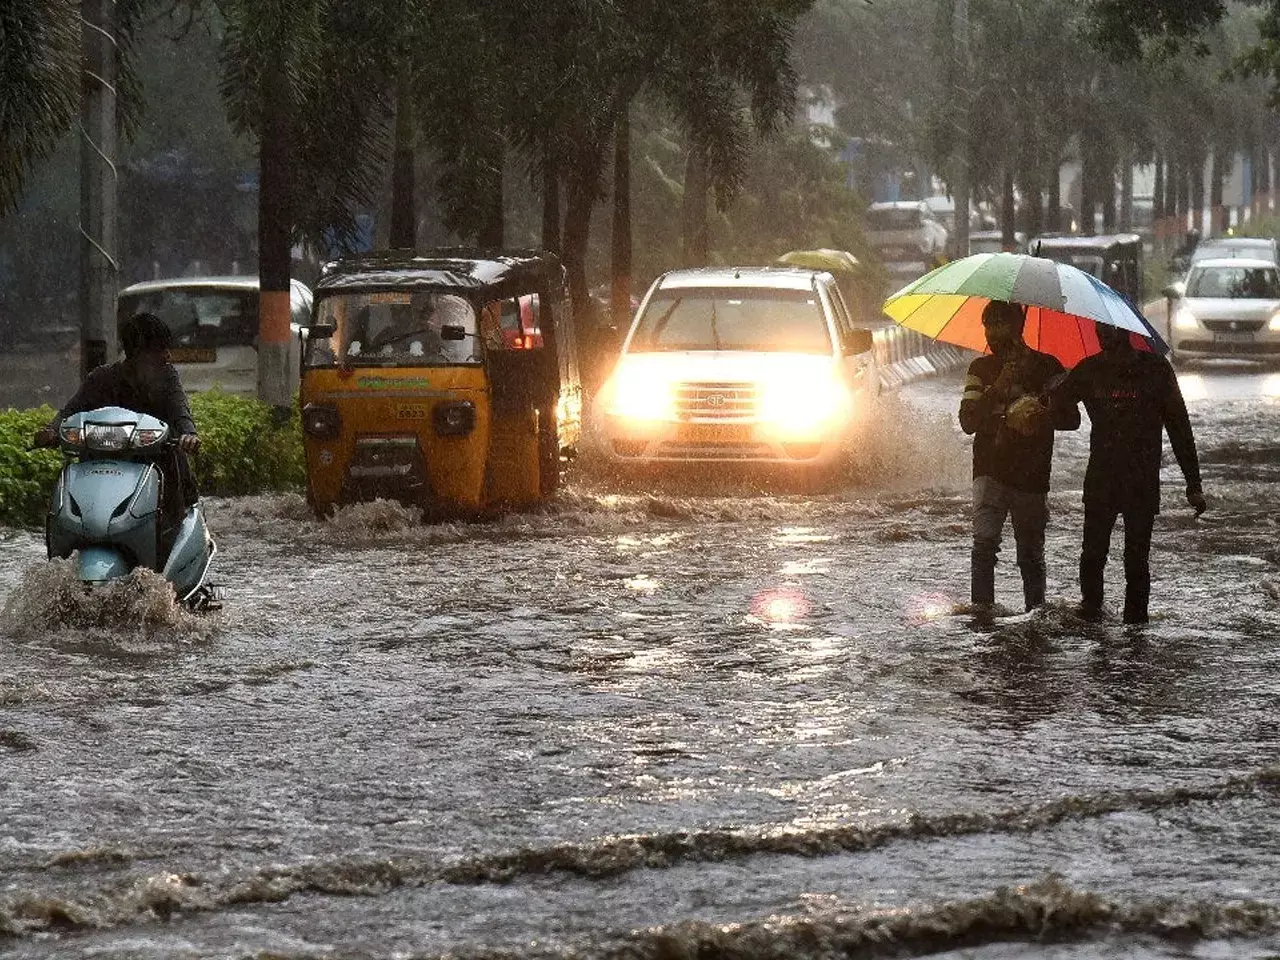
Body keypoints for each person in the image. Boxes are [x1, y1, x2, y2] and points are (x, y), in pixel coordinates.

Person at [1052, 323, 1206, 624]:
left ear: (1126, 331)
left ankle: (1136, 627)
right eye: (1099, 328)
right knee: (1092, 554)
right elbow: (1060, 412)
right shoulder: (1088, 369)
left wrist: (1193, 483)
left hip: (1141, 480)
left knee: (1136, 561)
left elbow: (1179, 426)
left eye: (1109, 329)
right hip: (1101, 478)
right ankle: (1091, 617)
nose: (1102, 334)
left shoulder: (1156, 369)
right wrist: (1053, 393)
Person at [35, 312, 201, 555]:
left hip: (156, 461)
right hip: (101, 462)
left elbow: (180, 411)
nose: (167, 356)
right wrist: (51, 430)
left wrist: (188, 434)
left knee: (173, 509)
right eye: (159, 350)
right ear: (138, 352)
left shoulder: (167, 377)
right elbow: (71, 410)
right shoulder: (101, 378)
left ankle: (167, 544)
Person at [959, 300, 1081, 611]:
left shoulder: (1047, 367)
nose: (991, 336)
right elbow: (968, 421)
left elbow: (1072, 418)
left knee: (1030, 554)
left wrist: (1040, 409)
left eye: (998, 328)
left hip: (1032, 474)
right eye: (987, 328)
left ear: (1017, 328)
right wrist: (998, 388)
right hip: (989, 470)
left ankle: (1035, 614)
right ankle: (982, 615)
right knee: (984, 546)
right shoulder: (980, 369)